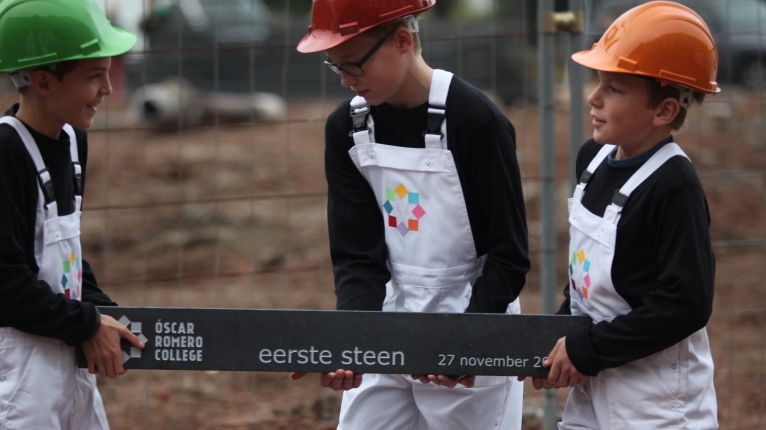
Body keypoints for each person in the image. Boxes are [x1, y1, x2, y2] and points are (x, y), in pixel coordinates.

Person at [290, 1, 530, 428]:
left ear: (402, 40)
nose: (345, 80)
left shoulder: (477, 122)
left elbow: (508, 256)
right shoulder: (347, 127)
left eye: (354, 64)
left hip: (471, 313)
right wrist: (353, 339)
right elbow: (356, 255)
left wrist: (467, 343)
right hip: (385, 318)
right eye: (335, 66)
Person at [0, 0, 143, 428]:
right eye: (94, 76)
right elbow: (1, 280)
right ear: (43, 82)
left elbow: (62, 256)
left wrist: (106, 313)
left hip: (63, 352)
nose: (108, 89)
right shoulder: (0, 154)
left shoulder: (72, 141)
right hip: (11, 378)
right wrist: (88, 323)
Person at [525, 2, 719, 429]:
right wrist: (550, 342)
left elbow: (685, 303)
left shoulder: (674, 187)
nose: (593, 97)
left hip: (657, 401)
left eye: (614, 89)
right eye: (599, 82)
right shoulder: (592, 160)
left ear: (664, 111)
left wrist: (586, 349)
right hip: (595, 385)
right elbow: (591, 282)